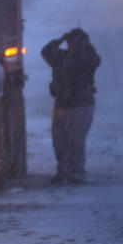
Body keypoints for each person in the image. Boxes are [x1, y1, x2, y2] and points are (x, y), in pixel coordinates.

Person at [41, 28, 101, 184]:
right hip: (63, 104)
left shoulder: (87, 58)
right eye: (71, 42)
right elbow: (46, 51)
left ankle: (76, 172)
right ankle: (64, 170)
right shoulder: (61, 57)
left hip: (80, 105)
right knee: (60, 141)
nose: (73, 45)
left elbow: (95, 60)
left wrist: (84, 46)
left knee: (76, 141)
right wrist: (60, 40)